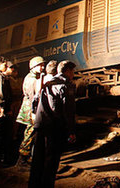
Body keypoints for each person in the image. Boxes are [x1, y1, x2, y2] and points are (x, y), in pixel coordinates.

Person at [28, 60, 76, 188]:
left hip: (41, 126)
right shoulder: (66, 86)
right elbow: (68, 111)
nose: (73, 75)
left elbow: (35, 102)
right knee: (51, 160)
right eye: (72, 72)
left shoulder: (47, 83)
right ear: (68, 71)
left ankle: (33, 184)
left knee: (38, 159)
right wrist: (71, 131)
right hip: (54, 127)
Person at [15, 56, 45, 168]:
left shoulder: (35, 77)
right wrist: (33, 113)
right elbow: (33, 98)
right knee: (30, 133)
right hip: (30, 109)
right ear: (33, 67)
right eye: (40, 65)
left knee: (31, 133)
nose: (42, 67)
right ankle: (22, 159)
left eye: (43, 65)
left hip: (32, 108)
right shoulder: (31, 79)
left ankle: (27, 157)